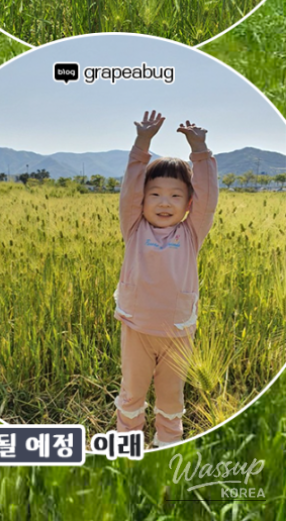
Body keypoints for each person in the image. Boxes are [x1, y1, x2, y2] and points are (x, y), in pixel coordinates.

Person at [113, 111, 218, 447]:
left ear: (189, 203)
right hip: (137, 327)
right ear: (141, 200)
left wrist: (199, 151)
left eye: (175, 195)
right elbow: (129, 189)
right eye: (155, 194)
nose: (164, 202)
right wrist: (143, 143)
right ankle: (127, 443)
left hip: (178, 331)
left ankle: (167, 444)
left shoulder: (191, 233)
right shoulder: (134, 228)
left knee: (172, 397)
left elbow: (209, 198)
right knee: (131, 392)